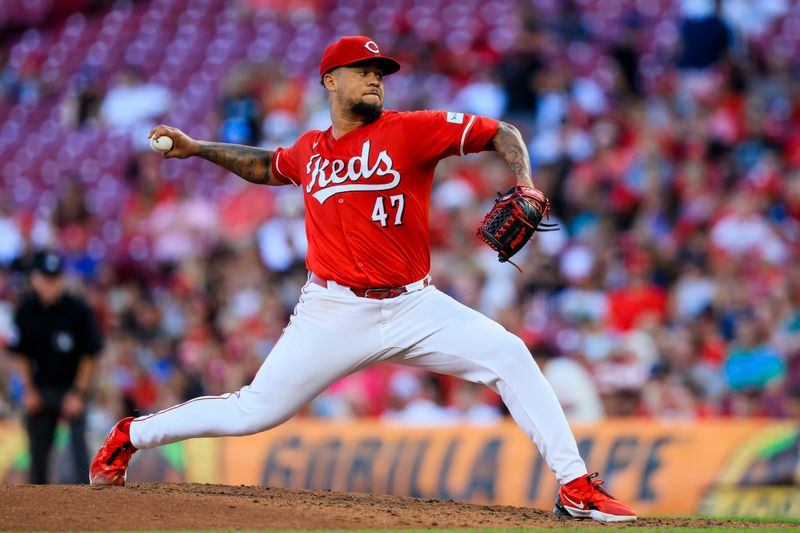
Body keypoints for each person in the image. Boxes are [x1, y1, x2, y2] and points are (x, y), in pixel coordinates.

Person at [90, 36, 636, 522]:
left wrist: (526, 182)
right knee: (253, 411)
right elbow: (265, 165)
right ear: (331, 80)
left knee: (511, 354)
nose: (376, 77)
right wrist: (198, 148)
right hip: (332, 312)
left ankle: (575, 487)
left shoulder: (412, 130)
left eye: (381, 72)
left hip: (416, 307)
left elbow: (504, 132)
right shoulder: (310, 150)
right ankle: (129, 436)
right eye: (363, 69)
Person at [9, 250, 103, 483]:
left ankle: (86, 495)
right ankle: (38, 498)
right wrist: (29, 391)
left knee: (78, 447)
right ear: (35, 279)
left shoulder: (78, 310)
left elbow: (89, 355)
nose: (52, 284)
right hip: (42, 386)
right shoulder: (26, 311)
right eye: (47, 278)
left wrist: (78, 393)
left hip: (73, 386)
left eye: (56, 278)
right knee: (38, 449)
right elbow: (22, 354)